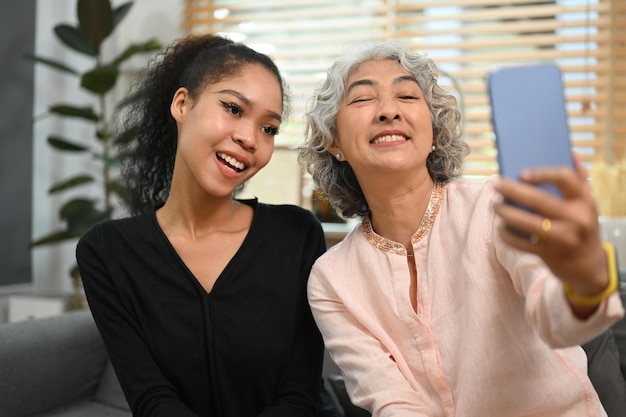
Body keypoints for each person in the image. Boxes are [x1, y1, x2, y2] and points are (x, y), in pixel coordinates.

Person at [298, 40, 625, 417]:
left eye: (406, 95)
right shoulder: (331, 279)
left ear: (434, 130)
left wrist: (584, 278)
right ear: (333, 141)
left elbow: (560, 320)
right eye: (362, 100)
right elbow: (393, 403)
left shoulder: (495, 206)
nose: (389, 111)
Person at [76, 33, 329, 417]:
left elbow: (300, 395)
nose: (249, 138)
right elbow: (150, 397)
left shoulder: (296, 235)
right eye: (233, 108)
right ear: (182, 103)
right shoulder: (107, 252)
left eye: (269, 128)